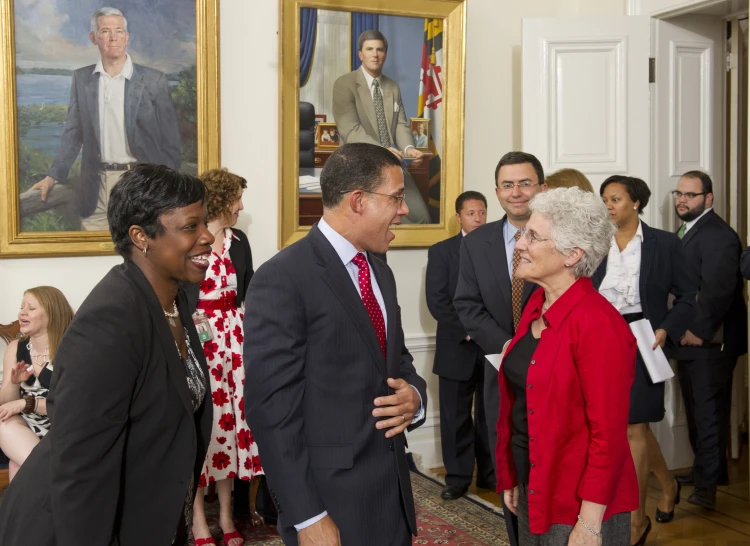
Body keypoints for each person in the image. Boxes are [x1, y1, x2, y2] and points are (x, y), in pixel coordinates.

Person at [0, 164, 214, 546]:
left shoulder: (174, 300)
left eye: (205, 223)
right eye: (190, 227)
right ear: (140, 236)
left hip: (153, 516)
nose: (207, 236)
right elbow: (79, 463)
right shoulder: (111, 319)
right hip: (93, 525)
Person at [244, 143, 428, 546]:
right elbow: (271, 412)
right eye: (396, 197)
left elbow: (396, 358)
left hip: (391, 496)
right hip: (330, 504)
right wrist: (308, 516)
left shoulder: (379, 268)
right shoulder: (283, 278)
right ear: (358, 201)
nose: (405, 209)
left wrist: (414, 394)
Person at [498, 187, 638, 545]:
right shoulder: (535, 305)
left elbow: (608, 437)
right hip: (534, 487)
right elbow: (524, 406)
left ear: (572, 255)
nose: (519, 245)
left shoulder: (599, 326)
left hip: (577, 504)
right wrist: (514, 475)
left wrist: (589, 525)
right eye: (523, 234)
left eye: (533, 237)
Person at [593, 175, 696, 543]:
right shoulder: (595, 242)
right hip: (600, 340)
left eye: (615, 199)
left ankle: (636, 522)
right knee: (626, 426)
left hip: (644, 340)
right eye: (604, 199)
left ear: (636, 203)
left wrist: (666, 329)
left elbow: (687, 295)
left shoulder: (664, 244)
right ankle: (668, 485)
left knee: (634, 427)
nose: (608, 206)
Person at [453, 151, 546, 546]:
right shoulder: (477, 243)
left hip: (552, 370)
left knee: (549, 466)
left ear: (541, 188)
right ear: (497, 191)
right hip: (499, 368)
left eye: (525, 183)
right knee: (507, 466)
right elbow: (466, 304)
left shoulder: (561, 238)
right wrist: (509, 347)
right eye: (508, 185)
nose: (517, 192)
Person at [30, 7, 181, 231]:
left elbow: (171, 143)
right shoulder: (82, 79)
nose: (113, 38)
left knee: (141, 252)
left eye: (119, 31)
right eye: (105, 31)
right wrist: (53, 175)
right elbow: (73, 133)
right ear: (94, 38)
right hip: (97, 187)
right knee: (91, 251)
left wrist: (166, 188)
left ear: (127, 37)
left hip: (141, 183)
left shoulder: (154, 80)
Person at [182, 169, 263, 546]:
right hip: (202, 346)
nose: (241, 207)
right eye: (237, 199)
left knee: (231, 430)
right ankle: (199, 521)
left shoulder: (239, 240)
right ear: (220, 200)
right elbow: (182, 301)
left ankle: (228, 516)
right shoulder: (190, 242)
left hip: (237, 345)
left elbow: (248, 293)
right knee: (206, 431)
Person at [670, 171, 747, 510]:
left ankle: (707, 489)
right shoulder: (688, 229)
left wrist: (699, 331)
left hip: (710, 342)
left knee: (708, 414)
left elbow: (718, 291)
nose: (682, 200)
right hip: (688, 340)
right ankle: (707, 472)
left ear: (708, 199)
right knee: (698, 410)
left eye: (691, 195)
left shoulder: (718, 235)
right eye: (679, 194)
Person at [426, 191, 493, 501]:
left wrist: (490, 333)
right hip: (458, 345)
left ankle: (490, 476)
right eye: (471, 213)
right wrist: (471, 330)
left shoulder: (500, 249)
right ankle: (457, 478)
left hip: (493, 346)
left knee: (491, 415)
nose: (478, 218)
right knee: (456, 417)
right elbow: (437, 301)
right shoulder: (442, 252)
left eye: (482, 212)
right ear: (459, 217)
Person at [332, 30, 431, 224]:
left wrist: (409, 150)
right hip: (359, 166)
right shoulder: (344, 84)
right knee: (373, 223)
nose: (375, 54)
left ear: (385, 54)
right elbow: (350, 130)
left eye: (380, 49)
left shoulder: (392, 87)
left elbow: (400, 124)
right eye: (369, 49)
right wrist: (383, 151)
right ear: (360, 54)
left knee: (421, 219)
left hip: (392, 164)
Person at [0, 287, 74, 482]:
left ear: (52, 314)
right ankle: (50, 476)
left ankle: (27, 508)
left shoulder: (72, 349)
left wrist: (26, 403)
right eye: (21, 307)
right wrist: (14, 384)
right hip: (27, 426)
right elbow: (7, 402)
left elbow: (71, 408)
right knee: (2, 421)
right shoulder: (16, 348)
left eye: (31, 308)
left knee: (18, 465)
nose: (22, 312)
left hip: (63, 425)